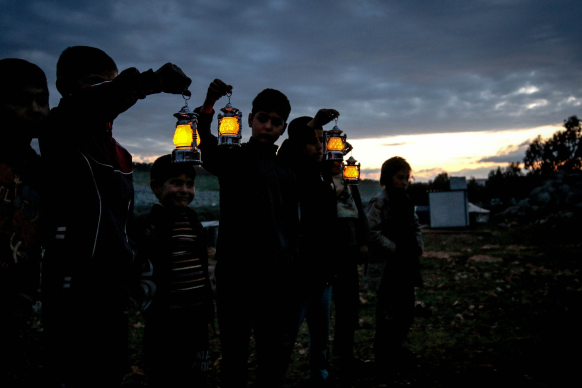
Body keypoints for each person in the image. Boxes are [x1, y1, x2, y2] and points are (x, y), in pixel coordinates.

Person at [40, 46, 192, 388]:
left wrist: (135, 262)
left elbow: (117, 224)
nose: (104, 91)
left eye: (108, 83)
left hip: (112, 286)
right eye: (94, 83)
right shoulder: (59, 132)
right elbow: (88, 107)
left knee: (109, 369)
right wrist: (150, 82)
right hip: (73, 284)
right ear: (66, 87)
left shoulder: (121, 154)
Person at [195, 80, 300, 388]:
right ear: (251, 119)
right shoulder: (232, 156)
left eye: (276, 122)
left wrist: (292, 257)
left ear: (283, 128)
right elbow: (204, 141)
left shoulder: (288, 165)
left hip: (276, 273)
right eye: (263, 118)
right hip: (235, 274)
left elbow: (293, 220)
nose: (268, 126)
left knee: (270, 350)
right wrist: (210, 101)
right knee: (234, 352)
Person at [133, 154, 213, 387]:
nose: (184, 189)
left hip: (196, 318)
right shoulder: (148, 225)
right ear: (156, 187)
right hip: (165, 321)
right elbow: (140, 271)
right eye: (176, 183)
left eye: (190, 184)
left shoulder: (193, 221)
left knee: (197, 373)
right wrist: (149, 304)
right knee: (166, 373)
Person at [278, 110, 339, 387]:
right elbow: (289, 150)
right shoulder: (292, 172)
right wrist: (313, 123)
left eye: (321, 140)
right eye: (312, 139)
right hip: (298, 276)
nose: (319, 145)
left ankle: (320, 378)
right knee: (285, 338)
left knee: (321, 338)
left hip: (322, 274)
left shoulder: (321, 178)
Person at [0, 58, 49, 386]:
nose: (34, 110)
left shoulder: (36, 168)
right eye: (19, 100)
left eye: (41, 100)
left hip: (16, 306)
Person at [365, 156, 423, 371]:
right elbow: (371, 232)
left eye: (407, 178)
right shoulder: (379, 201)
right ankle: (384, 355)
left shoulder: (406, 200)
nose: (405, 182)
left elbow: (415, 224)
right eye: (400, 177)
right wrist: (394, 248)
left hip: (406, 266)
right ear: (388, 178)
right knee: (388, 313)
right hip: (388, 268)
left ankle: (396, 348)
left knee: (406, 310)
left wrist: (417, 245)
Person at [329, 156, 369, 380]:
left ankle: (344, 354)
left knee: (349, 305)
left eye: (339, 159)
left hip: (350, 250)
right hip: (330, 251)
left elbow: (360, 213)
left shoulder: (349, 182)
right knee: (324, 308)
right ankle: (323, 359)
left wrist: (363, 242)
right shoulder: (320, 181)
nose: (337, 162)